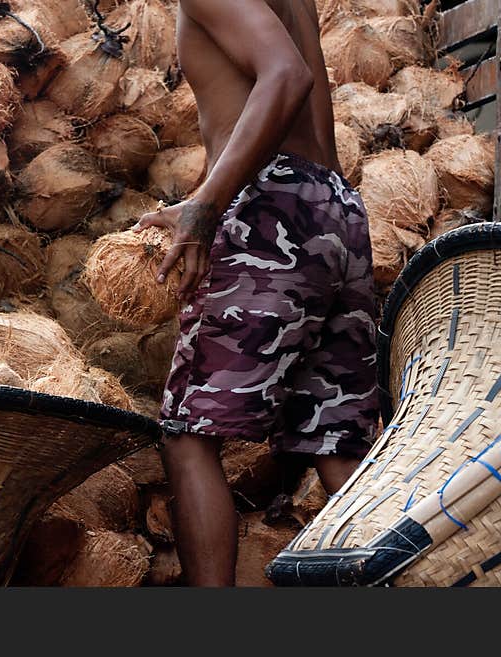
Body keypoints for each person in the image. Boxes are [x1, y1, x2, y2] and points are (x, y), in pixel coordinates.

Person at [133, 0, 379, 586]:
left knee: (190, 436)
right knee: (337, 440)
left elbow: (285, 77)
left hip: (272, 211)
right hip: (335, 207)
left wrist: (206, 206)